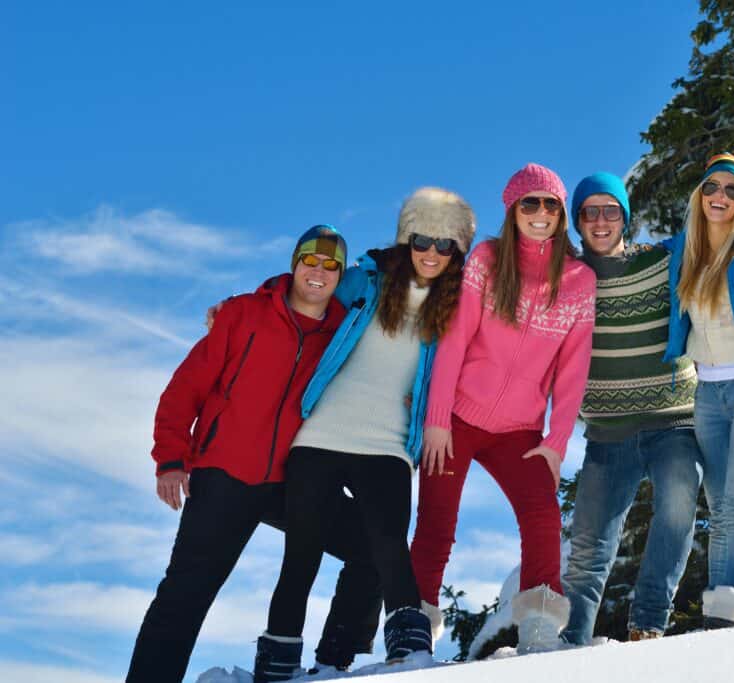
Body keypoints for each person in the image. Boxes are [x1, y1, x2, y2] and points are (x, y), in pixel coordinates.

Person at [253, 188, 476, 681]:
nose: (432, 253)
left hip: (388, 444)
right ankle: (277, 663)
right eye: (423, 240)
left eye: (446, 246)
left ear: (458, 252)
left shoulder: (460, 306)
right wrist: (245, 302)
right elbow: (305, 288)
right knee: (302, 555)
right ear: (406, 238)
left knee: (388, 546)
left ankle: (388, 654)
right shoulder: (367, 280)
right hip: (321, 435)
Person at [127, 225, 361, 683]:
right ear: (294, 264)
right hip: (223, 476)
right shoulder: (243, 314)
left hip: (290, 483)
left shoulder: (342, 333)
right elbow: (184, 389)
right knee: (185, 595)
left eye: (330, 266)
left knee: (374, 542)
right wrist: (171, 459)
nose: (318, 272)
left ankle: (336, 663)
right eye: (310, 261)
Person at [411, 163, 597, 654]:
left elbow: (573, 371)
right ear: (513, 211)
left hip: (520, 430)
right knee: (436, 524)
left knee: (541, 517)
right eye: (529, 204)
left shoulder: (578, 281)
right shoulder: (489, 260)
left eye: (550, 205)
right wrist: (436, 420)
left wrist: (556, 444)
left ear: (561, 215)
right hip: (458, 419)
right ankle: (411, 633)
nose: (540, 213)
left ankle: (539, 629)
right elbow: (454, 341)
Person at [560, 172, 703, 644]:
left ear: (625, 217)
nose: (601, 221)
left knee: (679, 505)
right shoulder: (568, 279)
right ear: (577, 222)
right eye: (590, 212)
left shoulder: (661, 261)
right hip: (607, 430)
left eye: (611, 210)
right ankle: (572, 637)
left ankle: (648, 622)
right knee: (590, 543)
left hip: (673, 418)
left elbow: (716, 231)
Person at [663, 153, 734, 628]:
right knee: (719, 506)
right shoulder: (686, 248)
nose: (721, 198)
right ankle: (717, 610)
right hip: (705, 391)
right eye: (714, 187)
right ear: (701, 193)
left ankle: (728, 614)